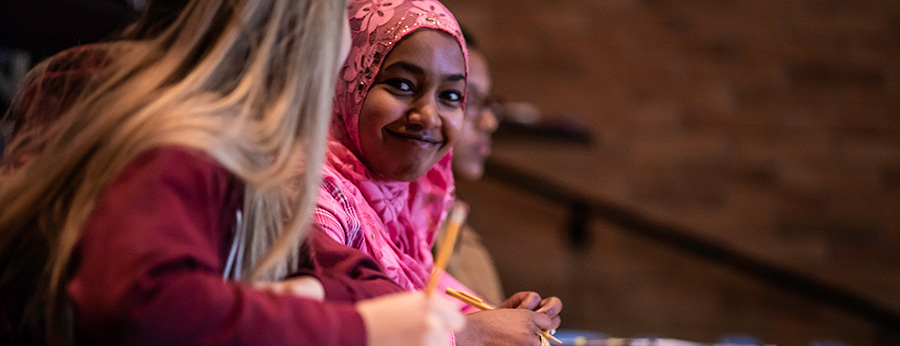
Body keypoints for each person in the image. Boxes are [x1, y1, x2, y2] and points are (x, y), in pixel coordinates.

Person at [0, 0, 464, 345]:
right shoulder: (181, 138)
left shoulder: (229, 146)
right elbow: (146, 305)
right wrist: (362, 328)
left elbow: (313, 255)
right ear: (300, 37)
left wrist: (325, 295)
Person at [314, 1, 562, 345]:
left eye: (449, 95)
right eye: (402, 85)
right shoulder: (312, 197)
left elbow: (435, 302)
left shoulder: (402, 214)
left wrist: (497, 321)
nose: (428, 116)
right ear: (346, 80)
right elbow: (317, 325)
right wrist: (468, 334)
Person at [440, 26, 505, 306]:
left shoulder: (462, 232)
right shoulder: (397, 236)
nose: (489, 122)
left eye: (488, 102)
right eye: (468, 99)